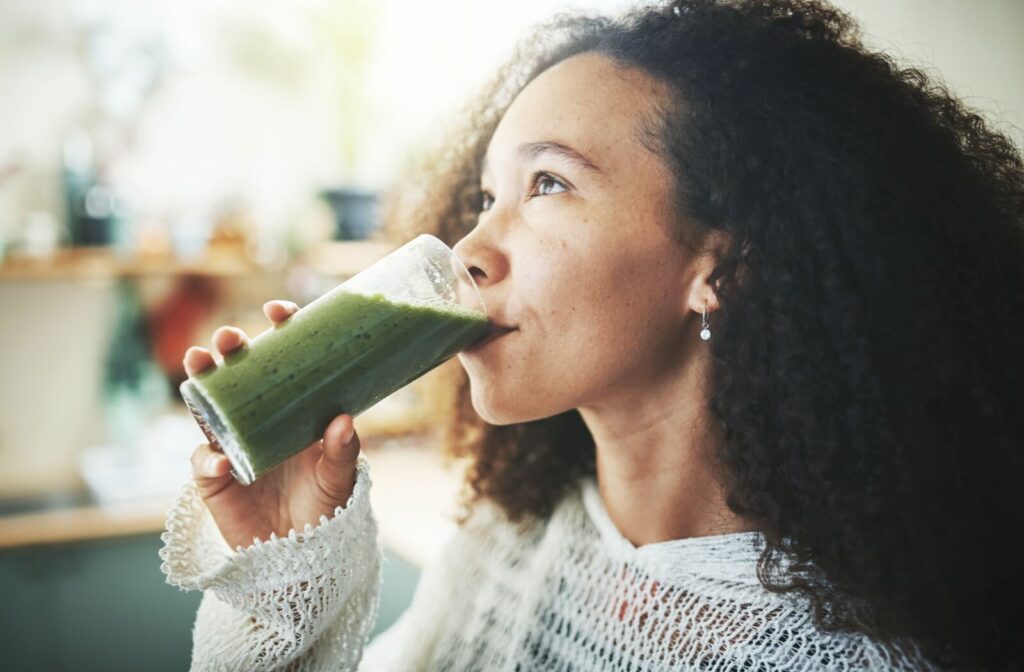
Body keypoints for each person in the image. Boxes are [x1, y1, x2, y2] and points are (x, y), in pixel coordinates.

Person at [160, 1, 1024, 669]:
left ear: (719, 268)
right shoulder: (507, 540)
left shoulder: (857, 653)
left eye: (548, 184)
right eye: (485, 199)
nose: (468, 252)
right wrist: (285, 570)